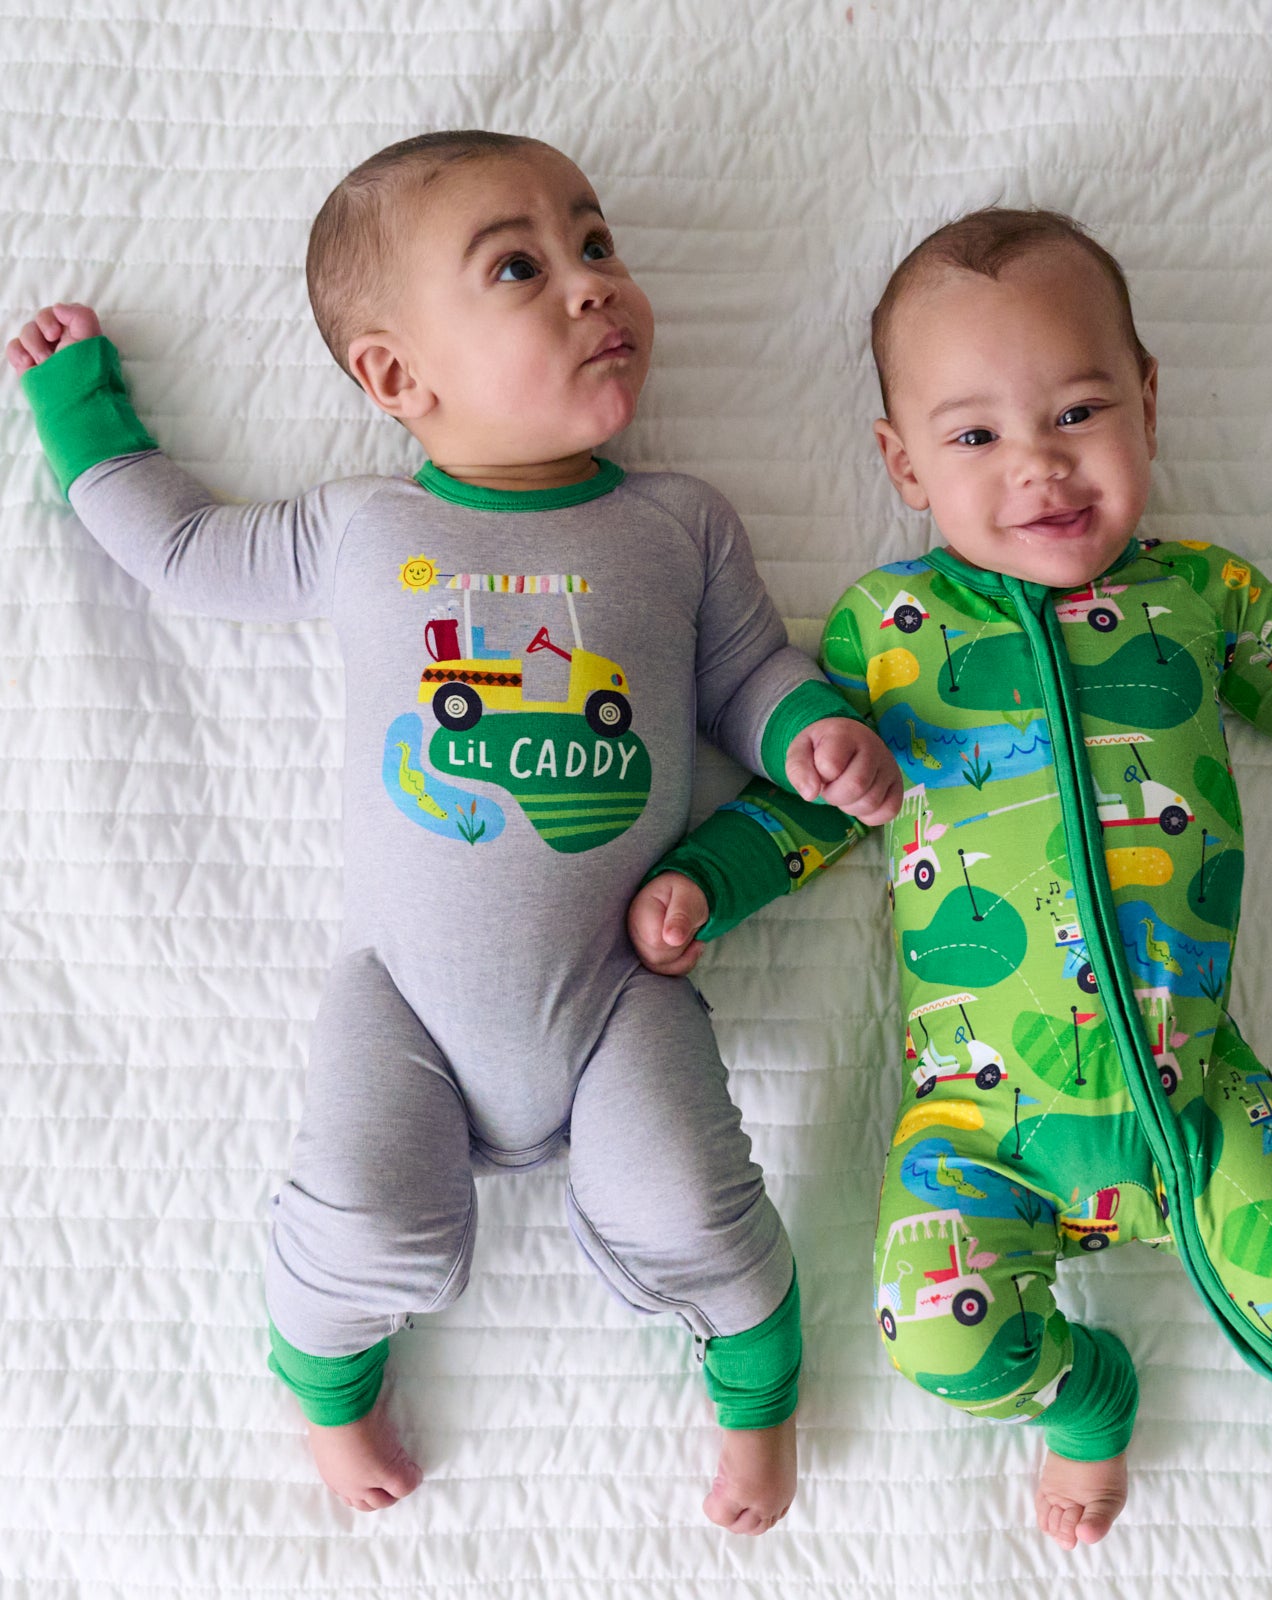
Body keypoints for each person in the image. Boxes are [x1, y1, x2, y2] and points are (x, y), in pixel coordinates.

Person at [651, 205, 1272, 1553]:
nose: (1038, 468)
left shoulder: (1200, 597)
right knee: (938, 1341)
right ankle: (1087, 1399)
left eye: (1078, 411)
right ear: (901, 462)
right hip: (980, 1119)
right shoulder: (890, 631)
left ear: (1146, 403)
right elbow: (809, 808)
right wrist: (705, 883)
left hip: (1193, 1095)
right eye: (974, 437)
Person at [6, 129, 901, 1532]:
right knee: (364, 1213)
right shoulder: (367, 530)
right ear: (395, 377)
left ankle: (760, 1391)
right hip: (405, 1003)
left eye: (597, 246)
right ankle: (329, 1389)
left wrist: (811, 736)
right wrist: (80, 412)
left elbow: (746, 678)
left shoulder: (678, 527)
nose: (591, 285)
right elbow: (179, 549)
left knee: (689, 1196)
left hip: (621, 994)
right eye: (520, 268)